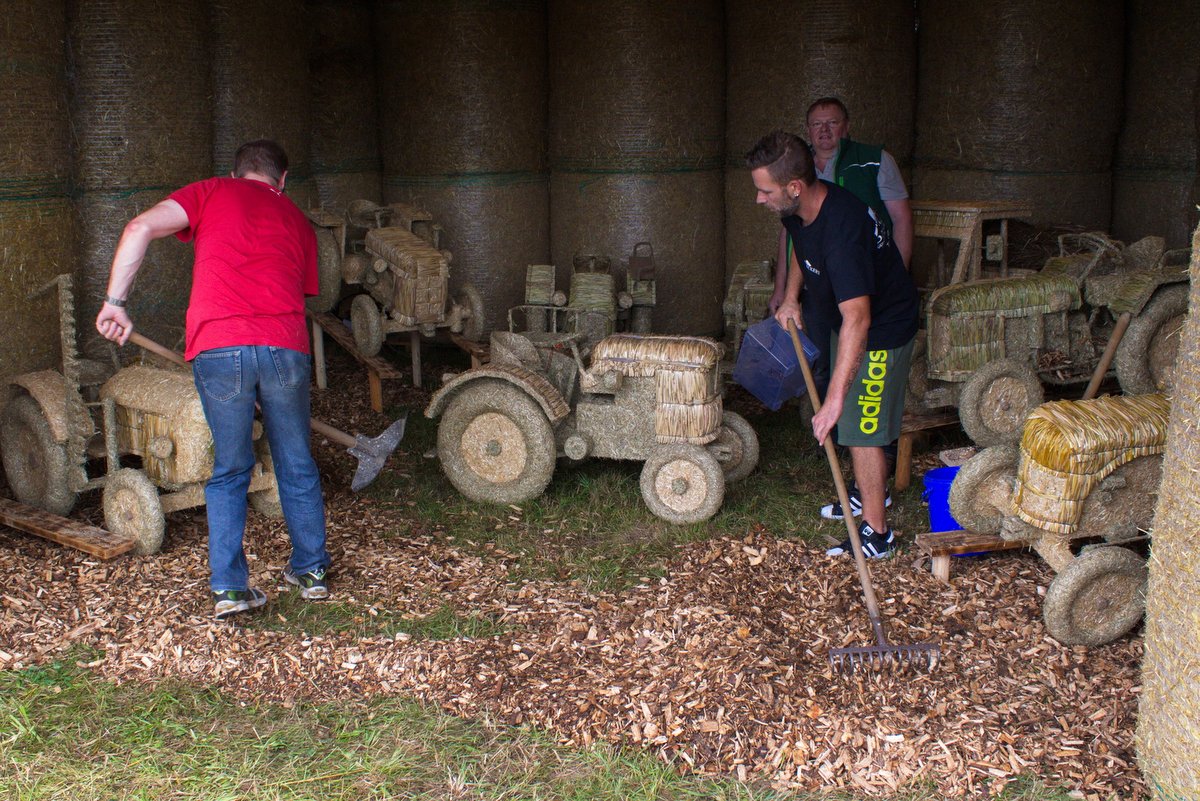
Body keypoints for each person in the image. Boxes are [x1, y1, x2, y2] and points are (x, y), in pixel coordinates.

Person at [96, 140, 331, 619]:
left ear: (236, 171)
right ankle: (311, 572)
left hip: (218, 347)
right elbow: (299, 290)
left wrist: (115, 304)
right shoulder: (296, 219)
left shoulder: (210, 192)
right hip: (284, 345)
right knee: (296, 461)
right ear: (281, 180)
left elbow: (139, 227)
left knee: (230, 468)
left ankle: (229, 588)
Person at [747, 130, 919, 558]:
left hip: (883, 328)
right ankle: (867, 492)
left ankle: (878, 534)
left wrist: (835, 401)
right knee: (851, 416)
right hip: (855, 321)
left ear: (794, 187)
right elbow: (802, 247)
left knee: (861, 427)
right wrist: (790, 298)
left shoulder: (843, 231)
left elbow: (857, 318)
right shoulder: (798, 212)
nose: (759, 199)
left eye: (764, 191)